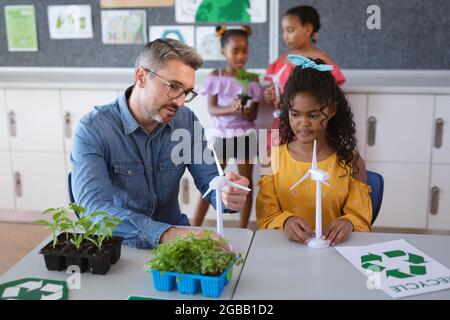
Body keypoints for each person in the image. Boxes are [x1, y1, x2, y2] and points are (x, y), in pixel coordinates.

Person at [71, 38, 250, 249]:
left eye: (187, 92)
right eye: (173, 87)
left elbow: (210, 180)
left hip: (176, 237)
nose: (180, 102)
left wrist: (227, 194)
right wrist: (168, 233)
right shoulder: (93, 129)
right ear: (141, 77)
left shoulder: (186, 121)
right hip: (120, 244)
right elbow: (94, 210)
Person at [256, 55, 371, 246]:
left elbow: (361, 219)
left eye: (313, 115)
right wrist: (285, 221)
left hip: (335, 252)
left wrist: (348, 222)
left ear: (332, 109)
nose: (303, 124)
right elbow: (265, 218)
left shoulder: (353, 162)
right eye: (295, 115)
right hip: (285, 254)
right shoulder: (272, 159)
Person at [191, 25, 263, 228]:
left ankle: (243, 229)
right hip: (222, 136)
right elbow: (213, 109)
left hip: (244, 136)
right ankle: (195, 225)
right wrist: (232, 109)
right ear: (223, 51)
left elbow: (253, 114)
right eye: (235, 51)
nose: (241, 56)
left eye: (245, 51)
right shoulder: (217, 75)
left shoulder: (252, 79)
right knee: (212, 182)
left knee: (245, 184)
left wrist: (244, 111)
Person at [264, 5, 346, 147]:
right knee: (277, 161)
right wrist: (270, 95)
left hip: (308, 127)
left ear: (308, 29)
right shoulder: (281, 60)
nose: (285, 36)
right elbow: (274, 89)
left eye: (290, 30)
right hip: (282, 125)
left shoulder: (321, 61)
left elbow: (331, 96)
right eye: (283, 31)